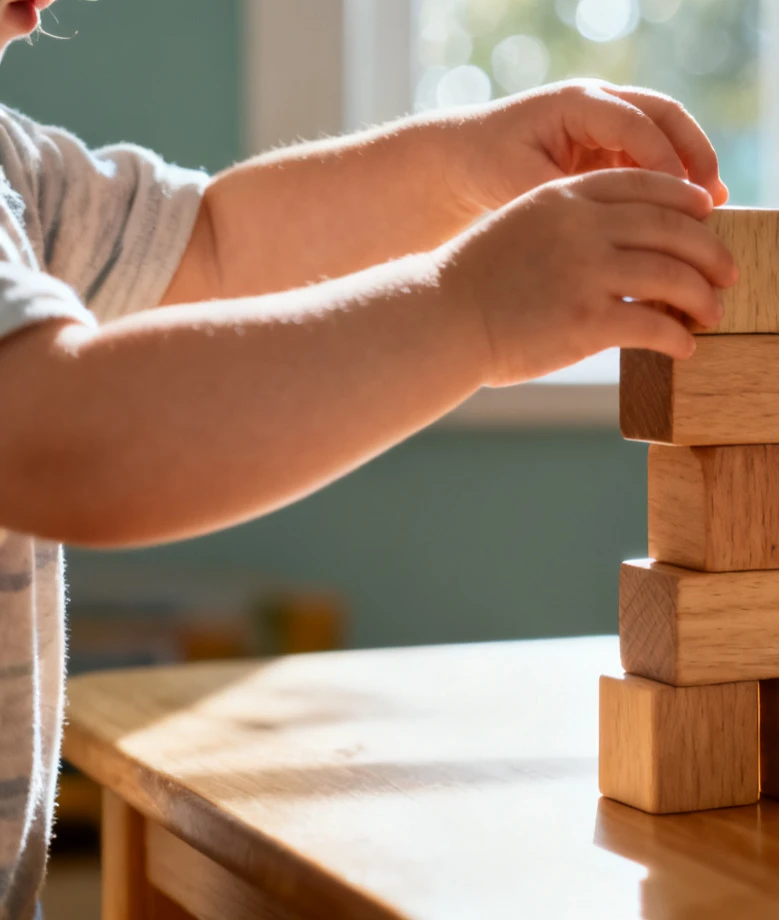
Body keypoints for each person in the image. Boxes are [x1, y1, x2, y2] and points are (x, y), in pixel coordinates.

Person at [0, 0, 738, 913]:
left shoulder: (15, 171)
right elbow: (66, 441)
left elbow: (220, 247)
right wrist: (470, 309)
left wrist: (461, 166)